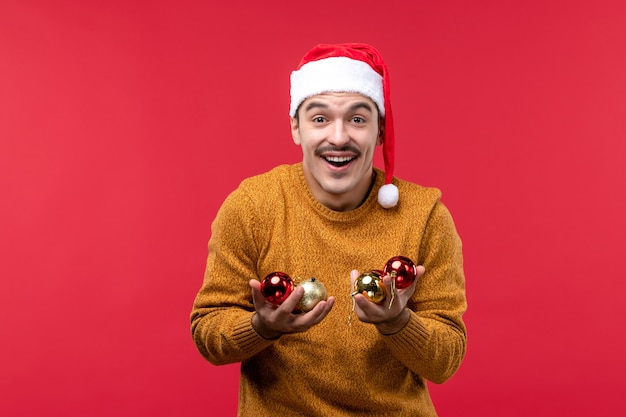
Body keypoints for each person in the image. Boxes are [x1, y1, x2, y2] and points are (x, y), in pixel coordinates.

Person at [190, 43, 467, 416]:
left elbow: (445, 362)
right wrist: (262, 327)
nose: (338, 138)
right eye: (320, 119)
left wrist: (399, 322)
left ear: (380, 130)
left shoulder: (424, 215)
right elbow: (208, 336)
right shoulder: (252, 206)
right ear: (296, 128)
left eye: (357, 119)